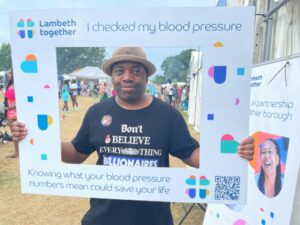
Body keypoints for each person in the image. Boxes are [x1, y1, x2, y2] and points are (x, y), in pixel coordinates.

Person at [11, 47, 254, 225]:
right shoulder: (97, 112)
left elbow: (191, 154)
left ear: (146, 77)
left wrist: (232, 154)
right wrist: (36, 140)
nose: (127, 77)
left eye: (135, 71)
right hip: (102, 219)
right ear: (112, 77)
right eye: (120, 71)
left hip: (153, 219)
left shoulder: (167, 114)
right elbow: (76, 153)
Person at [4, 69, 19, 158]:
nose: (8, 74)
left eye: (10, 72)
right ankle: (17, 152)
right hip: (10, 110)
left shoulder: (18, 85)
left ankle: (17, 153)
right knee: (14, 133)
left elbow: (21, 99)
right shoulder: (9, 84)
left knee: (17, 133)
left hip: (16, 110)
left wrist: (12, 107)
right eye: (8, 72)